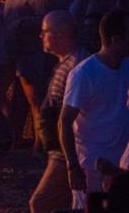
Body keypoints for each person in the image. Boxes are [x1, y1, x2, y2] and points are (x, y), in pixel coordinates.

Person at [60, 10, 129, 209]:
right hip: (91, 165)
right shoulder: (84, 73)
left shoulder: (126, 66)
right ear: (116, 39)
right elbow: (64, 121)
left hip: (120, 164)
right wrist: (72, 166)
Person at [29, 11, 88, 213]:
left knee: (40, 203)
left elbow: (69, 115)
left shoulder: (76, 67)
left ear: (61, 35)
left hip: (67, 151)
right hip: (62, 149)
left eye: (44, 31)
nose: (41, 36)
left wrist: (69, 158)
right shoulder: (67, 63)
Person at [1, 0, 52, 148]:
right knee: (17, 102)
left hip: (31, 53)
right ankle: (15, 141)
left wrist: (21, 23)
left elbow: (47, 19)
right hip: (16, 52)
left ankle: (41, 146)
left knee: (35, 102)